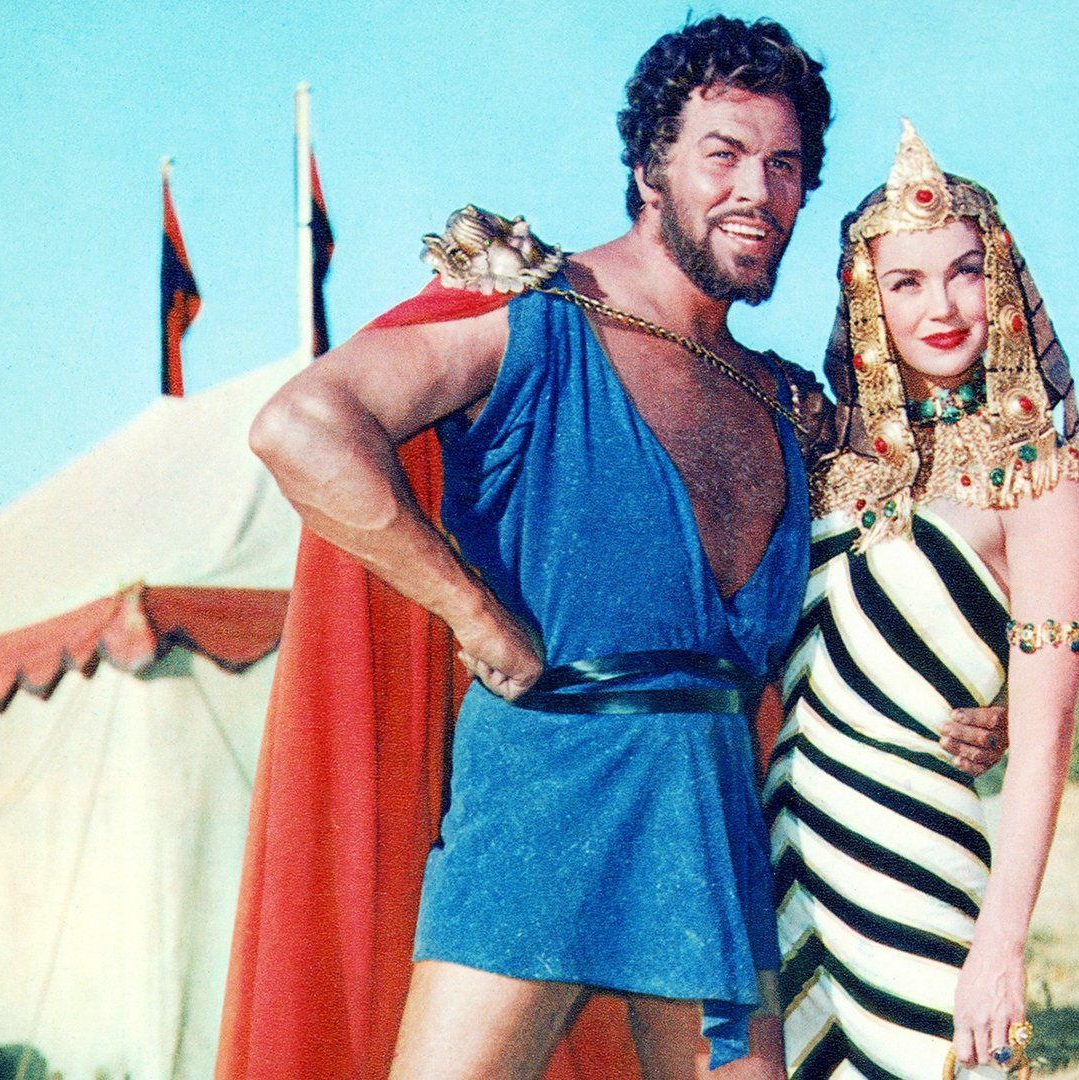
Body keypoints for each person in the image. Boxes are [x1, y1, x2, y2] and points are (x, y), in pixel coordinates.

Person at [244, 16, 834, 1079]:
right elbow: (303, 426)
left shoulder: (783, 399)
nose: (757, 190)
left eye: (784, 165)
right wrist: (470, 611)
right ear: (649, 169)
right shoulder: (533, 317)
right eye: (725, 154)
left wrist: (985, 704)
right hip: (545, 791)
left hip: (707, 818)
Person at [764, 123, 1079, 1079]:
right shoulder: (820, 455)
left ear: (1004, 283)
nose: (942, 307)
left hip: (915, 868)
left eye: (964, 273)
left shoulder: (1042, 481)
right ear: (867, 298)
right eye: (906, 282)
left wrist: (1001, 949)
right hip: (779, 865)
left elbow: (1044, 742)